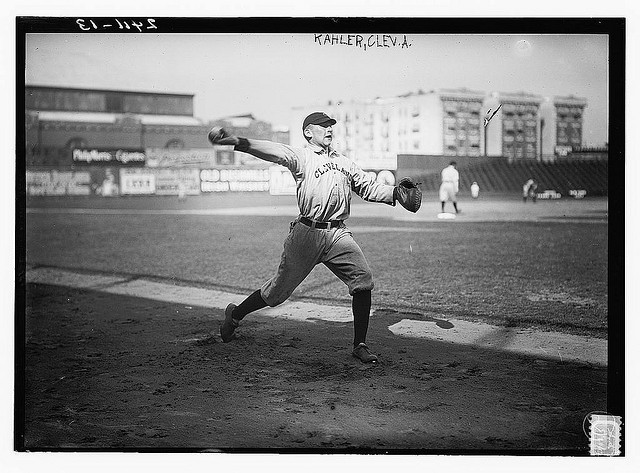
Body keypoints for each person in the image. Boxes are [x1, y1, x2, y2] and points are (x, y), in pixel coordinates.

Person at [207, 112, 420, 363]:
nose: (329, 130)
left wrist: (395, 193)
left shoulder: (344, 162)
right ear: (308, 132)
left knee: (362, 279)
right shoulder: (302, 157)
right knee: (276, 293)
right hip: (306, 234)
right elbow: (273, 150)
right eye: (323, 126)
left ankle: (359, 345)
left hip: (337, 233)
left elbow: (368, 187)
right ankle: (235, 315)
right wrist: (237, 142)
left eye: (331, 126)